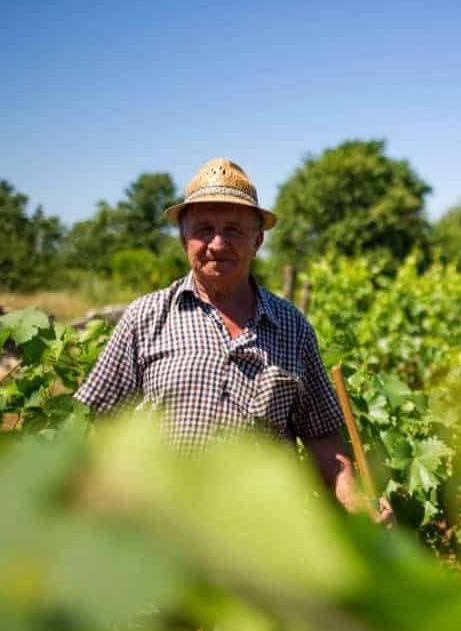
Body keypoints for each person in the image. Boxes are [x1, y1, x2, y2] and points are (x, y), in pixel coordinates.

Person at [75, 157, 391, 521]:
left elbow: (322, 437)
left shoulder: (292, 327)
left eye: (233, 230)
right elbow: (102, 422)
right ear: (183, 238)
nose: (217, 243)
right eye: (204, 228)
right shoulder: (145, 318)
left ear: (257, 241)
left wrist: (354, 498)